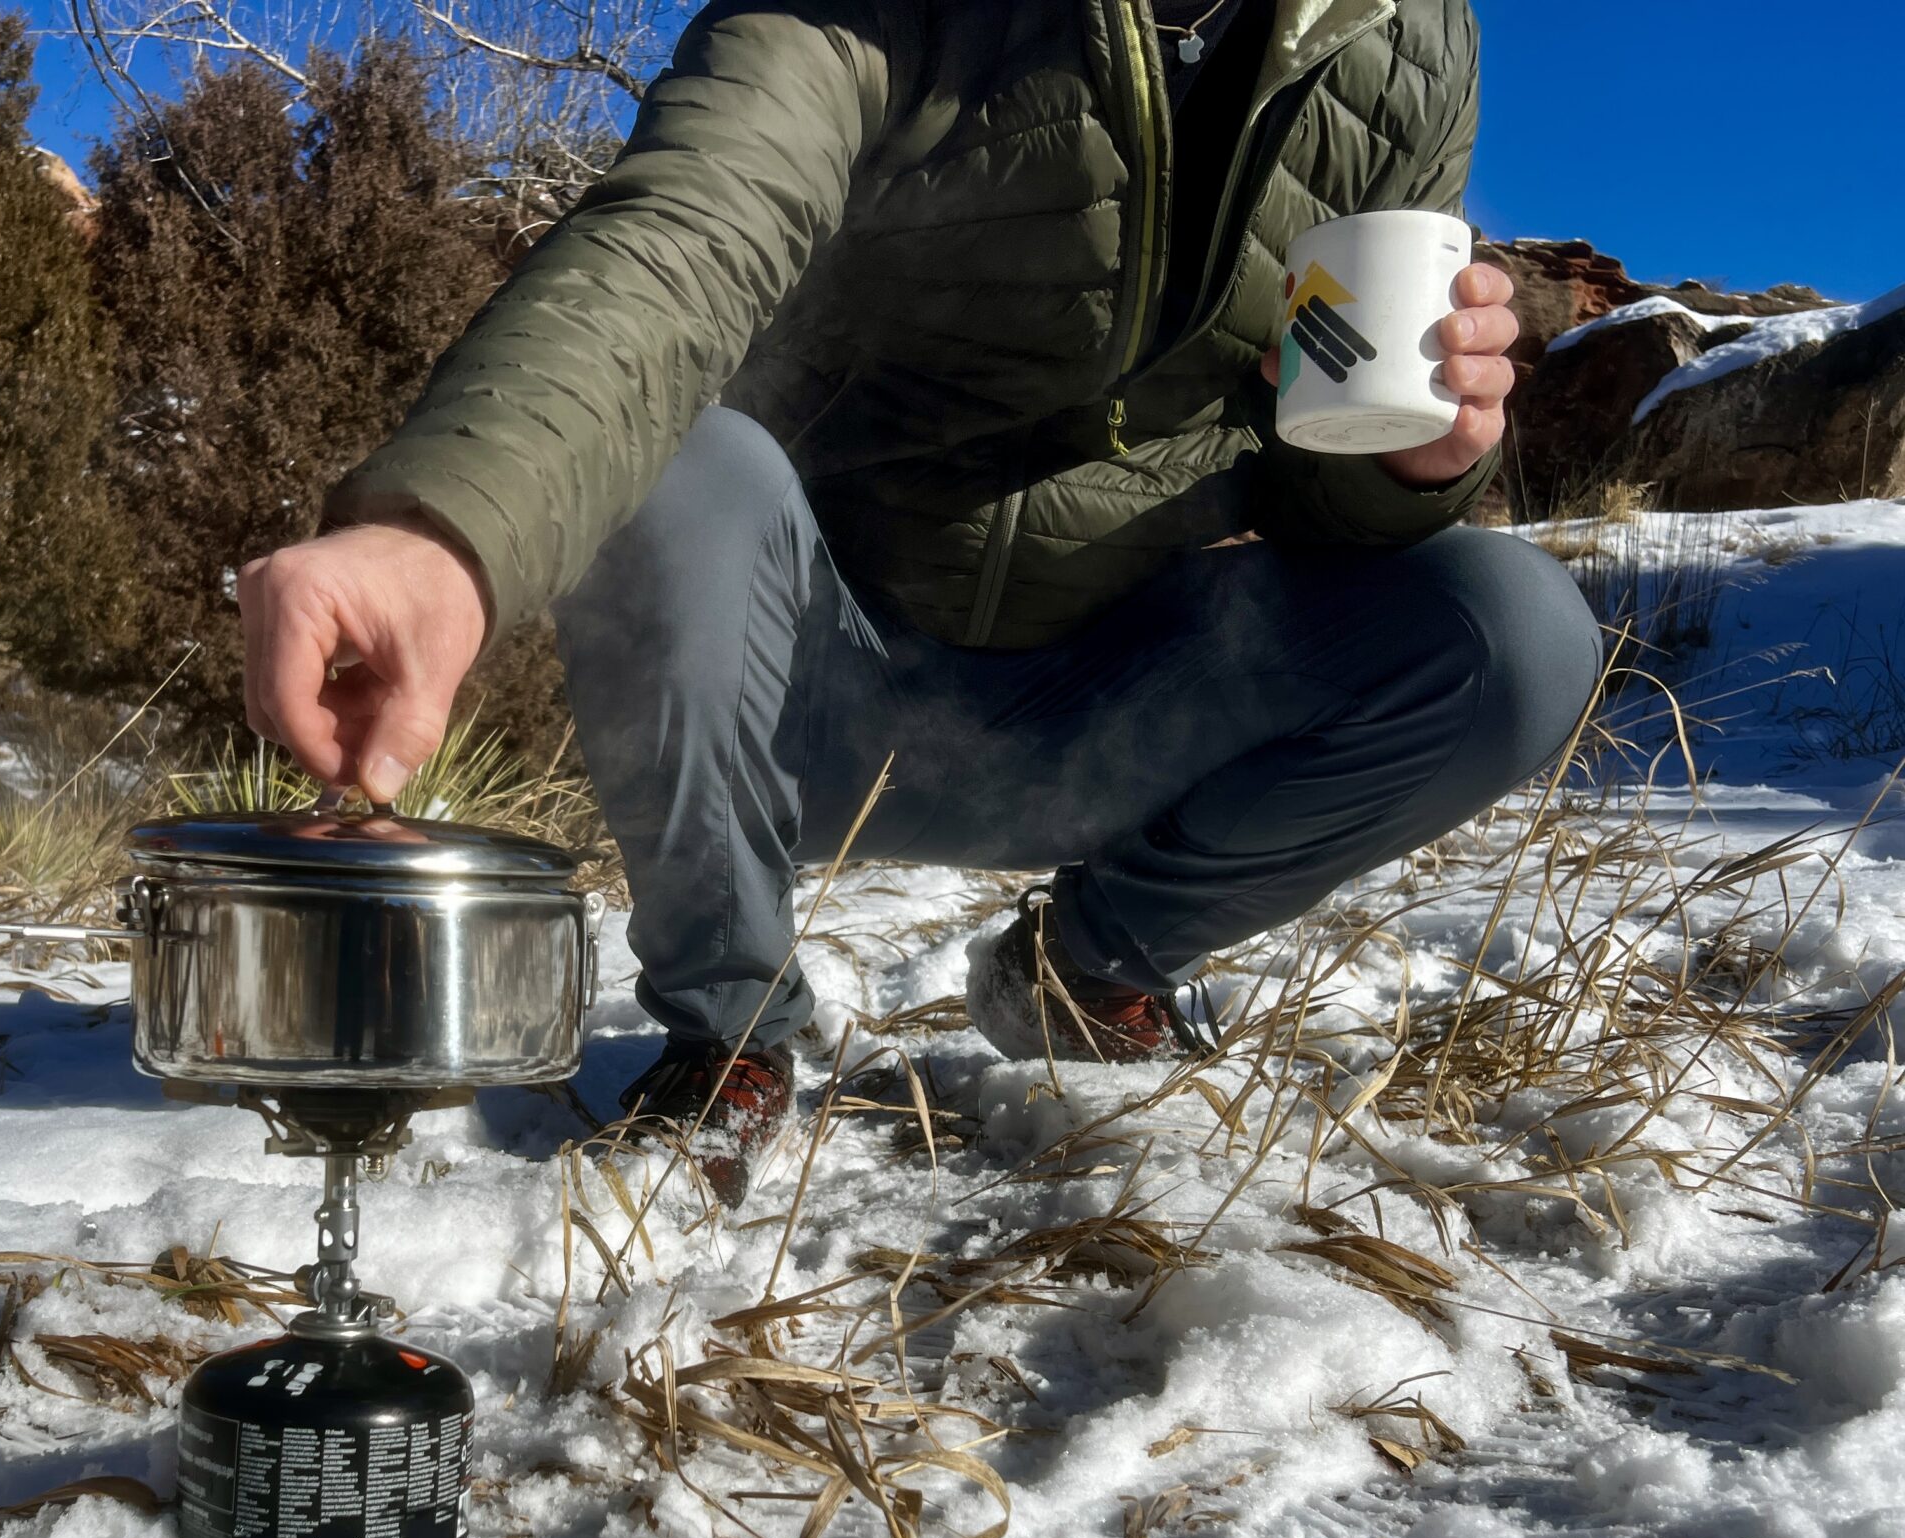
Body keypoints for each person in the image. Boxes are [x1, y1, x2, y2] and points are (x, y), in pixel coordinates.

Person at [236, 0, 1603, 1206]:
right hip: (810, 694)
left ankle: (1088, 973)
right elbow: (681, 240)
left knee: (1515, 629)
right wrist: (442, 536)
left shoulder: (1406, 38)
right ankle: (732, 1029)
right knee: (682, 459)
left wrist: (1414, 467)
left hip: (1121, 710)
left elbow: (1321, 467)